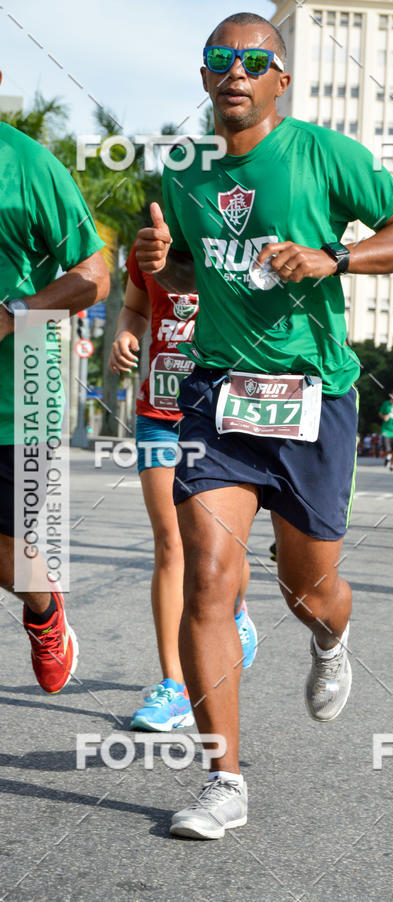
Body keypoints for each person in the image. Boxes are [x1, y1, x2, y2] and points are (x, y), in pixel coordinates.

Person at [135, 12, 393, 839]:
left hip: (313, 395)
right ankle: (222, 780)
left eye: (252, 60)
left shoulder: (326, 155)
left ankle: (331, 639)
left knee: (308, 589)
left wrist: (334, 258)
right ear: (204, 76)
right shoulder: (183, 172)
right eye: (219, 58)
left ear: (281, 79)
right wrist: (163, 265)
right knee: (208, 578)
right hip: (218, 393)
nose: (234, 71)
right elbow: (197, 265)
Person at [109, 246, 258, 731]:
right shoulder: (147, 251)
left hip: (222, 415)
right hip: (160, 414)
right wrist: (126, 334)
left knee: (223, 547)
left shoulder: (234, 244)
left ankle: (234, 610)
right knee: (171, 543)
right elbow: (134, 308)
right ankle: (175, 686)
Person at [0, 83, 110, 693]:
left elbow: (93, 277)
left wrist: (13, 313)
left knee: (10, 549)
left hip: (19, 399)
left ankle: (44, 611)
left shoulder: (28, 165)